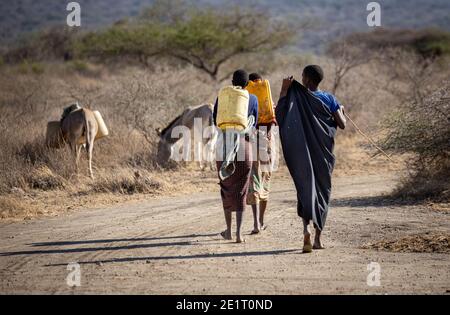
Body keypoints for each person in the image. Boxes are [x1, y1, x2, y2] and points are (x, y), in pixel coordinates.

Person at [278, 65, 346, 253]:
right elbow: (342, 124)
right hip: (324, 156)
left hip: (302, 155)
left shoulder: (297, 96)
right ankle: (317, 239)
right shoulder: (329, 99)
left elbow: (281, 114)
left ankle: (305, 229)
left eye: (302, 76)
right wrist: (340, 109)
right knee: (322, 192)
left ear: (306, 79)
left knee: (305, 188)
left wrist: (284, 88)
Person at [213, 69, 258, 244]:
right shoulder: (252, 99)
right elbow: (254, 121)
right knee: (241, 188)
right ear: (248, 84)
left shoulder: (222, 97)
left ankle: (229, 231)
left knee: (225, 186)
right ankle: (239, 234)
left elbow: (214, 119)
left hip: (223, 144)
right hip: (244, 145)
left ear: (232, 82)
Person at [246, 73, 277, 234]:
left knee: (253, 180)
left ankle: (256, 223)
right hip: (267, 140)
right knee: (265, 179)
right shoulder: (268, 98)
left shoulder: (247, 98)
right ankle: (262, 221)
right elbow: (273, 120)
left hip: (250, 139)